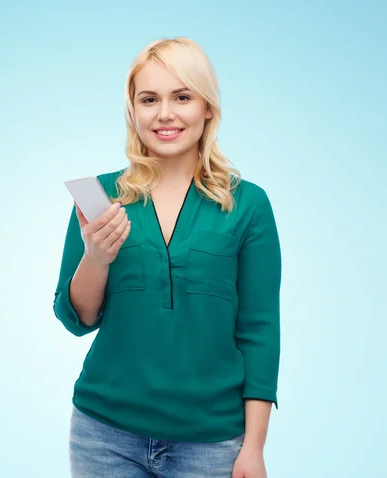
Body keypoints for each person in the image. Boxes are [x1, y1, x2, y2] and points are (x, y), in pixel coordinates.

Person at [53, 37, 281, 478]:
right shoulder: (100, 197)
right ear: (132, 110)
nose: (165, 114)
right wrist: (97, 257)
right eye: (149, 99)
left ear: (207, 107)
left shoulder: (248, 204)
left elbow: (260, 330)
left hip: (212, 443)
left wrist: (254, 447)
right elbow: (76, 318)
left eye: (182, 97)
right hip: (103, 434)